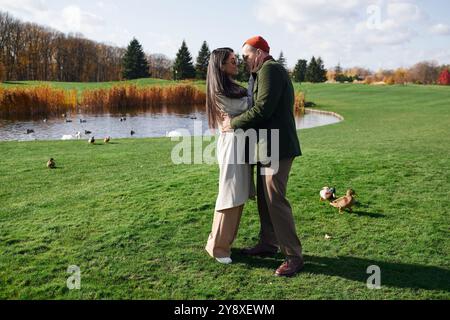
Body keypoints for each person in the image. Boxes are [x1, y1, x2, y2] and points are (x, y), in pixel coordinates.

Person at [222, 36, 304, 277]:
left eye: (246, 56)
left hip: (278, 148)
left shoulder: (271, 70)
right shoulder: (258, 73)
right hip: (266, 147)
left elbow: (262, 109)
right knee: (264, 200)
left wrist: (232, 124)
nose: (244, 61)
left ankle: (294, 256)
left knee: (275, 200)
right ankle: (268, 244)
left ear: (258, 53)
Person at [204, 48, 256, 264]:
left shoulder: (230, 87)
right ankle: (218, 248)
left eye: (236, 60)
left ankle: (222, 244)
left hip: (239, 144)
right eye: (232, 61)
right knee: (229, 196)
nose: (237, 63)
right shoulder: (219, 90)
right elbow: (249, 106)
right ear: (221, 65)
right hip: (231, 147)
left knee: (238, 196)